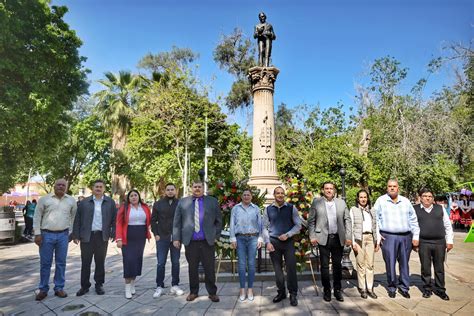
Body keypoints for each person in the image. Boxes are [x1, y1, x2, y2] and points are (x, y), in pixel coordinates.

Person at [172, 180, 222, 303]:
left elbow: (219, 221)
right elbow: (177, 222)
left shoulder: (212, 201)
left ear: (203, 188)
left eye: (200, 187)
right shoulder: (183, 202)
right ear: (191, 188)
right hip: (191, 241)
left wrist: (216, 235)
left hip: (207, 241)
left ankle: (212, 293)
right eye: (195, 187)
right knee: (192, 268)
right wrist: (176, 238)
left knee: (209, 268)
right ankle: (194, 292)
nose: (197, 189)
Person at [373, 178, 420, 298]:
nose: (392, 188)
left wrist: (415, 236)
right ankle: (392, 287)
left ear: (398, 188)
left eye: (394, 186)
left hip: (406, 237)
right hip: (388, 237)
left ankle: (404, 287)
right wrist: (378, 236)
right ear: (387, 188)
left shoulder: (405, 201)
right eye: (390, 186)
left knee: (404, 263)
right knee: (390, 262)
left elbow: (413, 219)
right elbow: (375, 219)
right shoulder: (381, 201)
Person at [33, 179, 77, 301]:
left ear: (66, 187)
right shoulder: (44, 199)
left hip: (63, 236)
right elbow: (37, 217)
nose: (61, 186)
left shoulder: (71, 201)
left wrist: (71, 233)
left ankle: (59, 288)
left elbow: (73, 218)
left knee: (61, 263)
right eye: (58, 184)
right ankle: (43, 289)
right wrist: (37, 234)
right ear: (54, 186)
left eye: (63, 185)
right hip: (46, 235)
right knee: (45, 264)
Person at [308, 182, 352, 302]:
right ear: (323, 190)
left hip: (338, 238)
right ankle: (327, 290)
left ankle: (337, 290)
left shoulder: (341, 202)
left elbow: (347, 220)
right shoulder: (317, 202)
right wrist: (312, 236)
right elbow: (311, 221)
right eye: (326, 188)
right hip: (323, 239)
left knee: (338, 266)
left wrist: (348, 237)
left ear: (334, 190)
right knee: (325, 266)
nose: (329, 190)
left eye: (331, 188)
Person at [73, 180, 118, 296]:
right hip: (87, 236)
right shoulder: (84, 202)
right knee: (86, 262)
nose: (98, 188)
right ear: (92, 189)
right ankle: (84, 286)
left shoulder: (110, 202)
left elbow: (115, 219)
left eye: (100, 187)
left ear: (104, 189)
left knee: (100, 262)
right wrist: (76, 235)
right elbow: (77, 219)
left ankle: (99, 284)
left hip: (102, 236)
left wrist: (114, 232)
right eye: (96, 186)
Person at [262, 186, 301, 306]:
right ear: (274, 195)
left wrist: (288, 234)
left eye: (282, 193)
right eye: (277, 193)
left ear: (284, 195)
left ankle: (293, 294)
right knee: (277, 270)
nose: (280, 195)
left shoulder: (291, 208)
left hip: (288, 242)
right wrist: (267, 242)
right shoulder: (268, 209)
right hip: (274, 242)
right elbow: (264, 227)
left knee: (291, 268)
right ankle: (281, 292)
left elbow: (298, 225)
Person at [414, 188, 453, 301]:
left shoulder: (440, 209)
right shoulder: (415, 209)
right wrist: (415, 241)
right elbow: (413, 226)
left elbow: (447, 225)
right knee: (425, 268)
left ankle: (441, 290)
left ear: (433, 198)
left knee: (439, 268)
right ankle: (427, 289)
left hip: (439, 243)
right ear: (421, 198)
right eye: (425, 196)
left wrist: (449, 241)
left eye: (430, 196)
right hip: (424, 243)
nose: (427, 198)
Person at [116, 189, 151, 298]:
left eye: (135, 195)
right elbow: (119, 223)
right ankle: (127, 287)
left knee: (137, 260)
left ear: (139, 196)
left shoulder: (144, 207)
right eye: (131, 196)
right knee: (128, 261)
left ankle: (132, 284)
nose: (134, 197)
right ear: (128, 198)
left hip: (140, 237)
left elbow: (149, 220)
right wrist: (119, 239)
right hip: (128, 236)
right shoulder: (124, 208)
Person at [151, 183, 184, 298]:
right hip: (162, 238)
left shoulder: (180, 203)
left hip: (176, 239)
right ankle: (159, 286)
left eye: (172, 189)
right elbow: (153, 221)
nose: (170, 191)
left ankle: (175, 285)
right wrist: (156, 234)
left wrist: (179, 237)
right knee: (161, 263)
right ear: (164, 191)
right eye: (168, 189)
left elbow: (183, 221)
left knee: (175, 262)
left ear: (175, 191)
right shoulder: (158, 204)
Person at [230, 189, 263, 302]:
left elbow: (260, 225)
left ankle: (250, 289)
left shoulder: (256, 209)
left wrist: (260, 238)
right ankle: (242, 289)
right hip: (240, 239)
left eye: (248, 195)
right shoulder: (236, 208)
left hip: (253, 238)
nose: (246, 196)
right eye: (244, 195)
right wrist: (233, 238)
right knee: (242, 264)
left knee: (251, 264)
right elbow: (232, 224)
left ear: (251, 197)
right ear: (241, 196)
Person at [349, 189, 379, 299]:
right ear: (358, 198)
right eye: (361, 197)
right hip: (359, 238)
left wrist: (378, 241)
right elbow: (351, 227)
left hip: (370, 238)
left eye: (365, 197)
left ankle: (370, 288)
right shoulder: (353, 210)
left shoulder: (372, 210)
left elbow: (376, 225)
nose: (363, 199)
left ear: (367, 198)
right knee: (361, 264)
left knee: (370, 264)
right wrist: (353, 242)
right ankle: (362, 288)